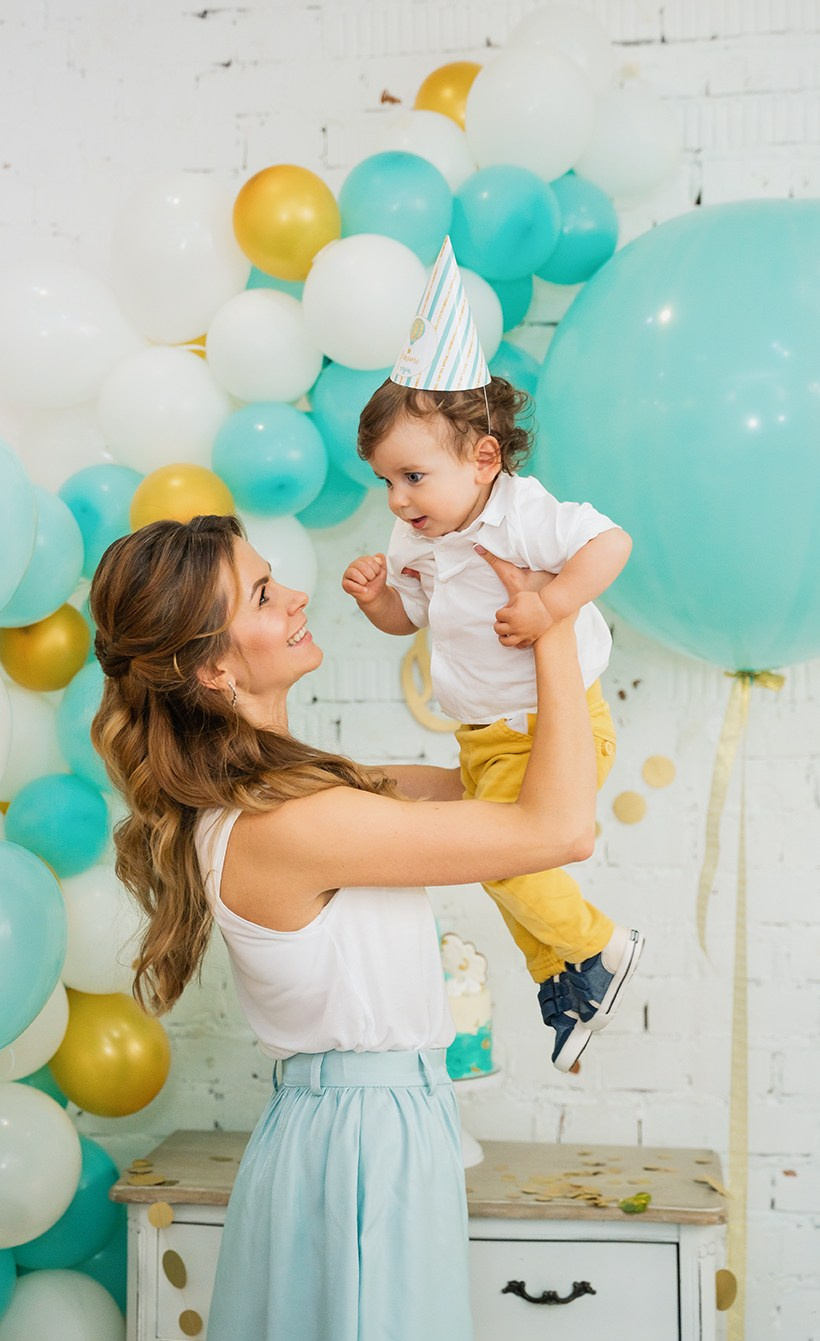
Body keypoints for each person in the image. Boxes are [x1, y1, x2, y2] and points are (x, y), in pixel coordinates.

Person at [89, 511, 598, 1341]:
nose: (295, 595)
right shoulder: (293, 824)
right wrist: (556, 620)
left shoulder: (308, 793)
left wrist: (482, 627)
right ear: (213, 666)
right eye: (261, 592)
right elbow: (559, 828)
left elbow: (500, 786)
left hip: (373, 1128)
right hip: (363, 1144)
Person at [342, 237, 643, 1074]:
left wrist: (551, 601)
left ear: (482, 459)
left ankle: (603, 945)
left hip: (553, 726)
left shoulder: (523, 514)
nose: (399, 501)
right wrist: (379, 600)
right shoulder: (418, 533)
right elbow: (410, 621)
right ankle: (569, 977)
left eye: (412, 477)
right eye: (386, 483)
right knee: (498, 871)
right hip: (482, 738)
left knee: (508, 865)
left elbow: (611, 543)